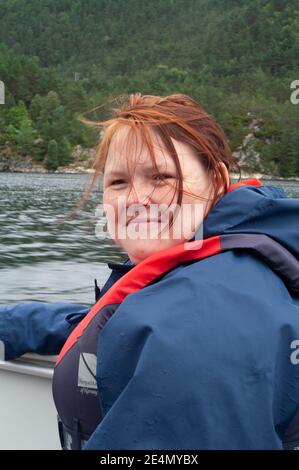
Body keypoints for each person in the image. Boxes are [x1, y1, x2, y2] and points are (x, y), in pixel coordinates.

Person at [0, 93, 299, 450]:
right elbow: (114, 323)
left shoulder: (198, 319)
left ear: (216, 180)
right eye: (118, 182)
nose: (135, 199)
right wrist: (18, 324)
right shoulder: (218, 273)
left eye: (160, 177)